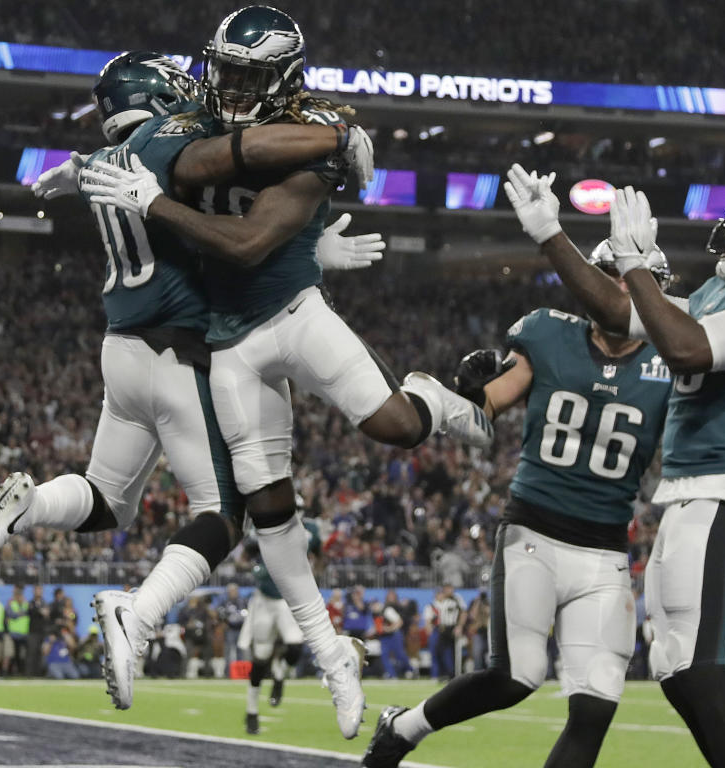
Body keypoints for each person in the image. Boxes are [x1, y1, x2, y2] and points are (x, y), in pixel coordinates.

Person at [77, 9, 495, 738]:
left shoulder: (311, 125)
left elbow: (245, 242)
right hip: (228, 340)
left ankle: (440, 395)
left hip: (296, 312)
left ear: (283, 78)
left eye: (249, 75)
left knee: (396, 427)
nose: (232, 86)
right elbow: (207, 158)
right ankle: (332, 656)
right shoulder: (206, 115)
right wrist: (122, 174)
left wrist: (160, 198)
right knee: (269, 509)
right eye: (227, 70)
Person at [0, 50, 377, 735]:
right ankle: (138, 611)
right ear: (156, 100)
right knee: (226, 513)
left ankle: (29, 505)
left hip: (119, 350)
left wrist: (69, 172)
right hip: (176, 348)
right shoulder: (164, 142)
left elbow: (92, 170)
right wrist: (334, 144)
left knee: (104, 501)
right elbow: (236, 167)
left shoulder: (107, 159)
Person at [502, 165, 725, 767]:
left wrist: (637, 268)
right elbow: (618, 313)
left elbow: (690, 349)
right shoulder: (716, 293)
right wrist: (552, 234)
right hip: (689, 496)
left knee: (704, 671)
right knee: (677, 667)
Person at [363, 241, 673, 767]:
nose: (621, 291)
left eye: (634, 279)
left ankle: (403, 725)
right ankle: (404, 727)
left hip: (605, 549)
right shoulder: (550, 335)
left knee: (596, 705)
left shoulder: (673, 361)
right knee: (516, 676)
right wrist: (465, 391)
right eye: (611, 277)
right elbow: (485, 410)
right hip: (536, 533)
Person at [234, 517, 321, 735]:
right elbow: (241, 559)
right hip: (264, 599)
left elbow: (319, 556)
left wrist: (311, 575)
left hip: (287, 599)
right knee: (261, 657)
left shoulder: (308, 531)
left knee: (295, 646)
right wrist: (254, 569)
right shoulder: (262, 529)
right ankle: (251, 711)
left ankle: (280, 673)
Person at [4, 585, 30, 676]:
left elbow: (28, 613)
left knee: (22, 655)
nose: (19, 597)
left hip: (24, 634)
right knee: (11, 655)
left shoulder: (26, 604)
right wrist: (21, 613)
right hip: (13, 633)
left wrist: (19, 613)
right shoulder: (11, 604)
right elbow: (11, 615)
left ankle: (21, 672)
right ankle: (8, 672)